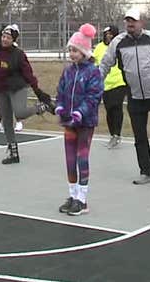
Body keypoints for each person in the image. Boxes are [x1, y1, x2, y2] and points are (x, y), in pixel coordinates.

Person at [98, 8, 150, 185]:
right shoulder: (118, 43)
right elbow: (105, 64)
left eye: (133, 21)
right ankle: (147, 172)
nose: (130, 24)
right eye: (127, 21)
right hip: (135, 98)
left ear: (141, 23)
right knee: (140, 137)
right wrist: (96, 84)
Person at [0, 24, 55, 165]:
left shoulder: (18, 54)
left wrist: (38, 91)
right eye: (3, 36)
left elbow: (28, 74)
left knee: (20, 113)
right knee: (7, 121)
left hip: (17, 88)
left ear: (13, 39)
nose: (4, 40)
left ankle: (42, 107)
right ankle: (13, 153)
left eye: (8, 37)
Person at [55, 24, 103, 217]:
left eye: (75, 50)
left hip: (85, 123)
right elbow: (60, 91)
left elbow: (94, 96)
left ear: (84, 52)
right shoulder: (68, 71)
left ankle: (82, 200)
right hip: (68, 123)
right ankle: (72, 195)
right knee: (69, 160)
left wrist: (80, 113)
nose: (72, 53)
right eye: (70, 50)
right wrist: (60, 106)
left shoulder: (93, 72)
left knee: (82, 159)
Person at [93, 25, 128, 148]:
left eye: (111, 34)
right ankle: (112, 134)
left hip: (119, 82)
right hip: (105, 84)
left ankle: (117, 134)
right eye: (106, 34)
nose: (108, 36)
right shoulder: (99, 48)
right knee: (109, 110)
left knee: (116, 107)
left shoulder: (121, 46)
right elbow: (94, 63)